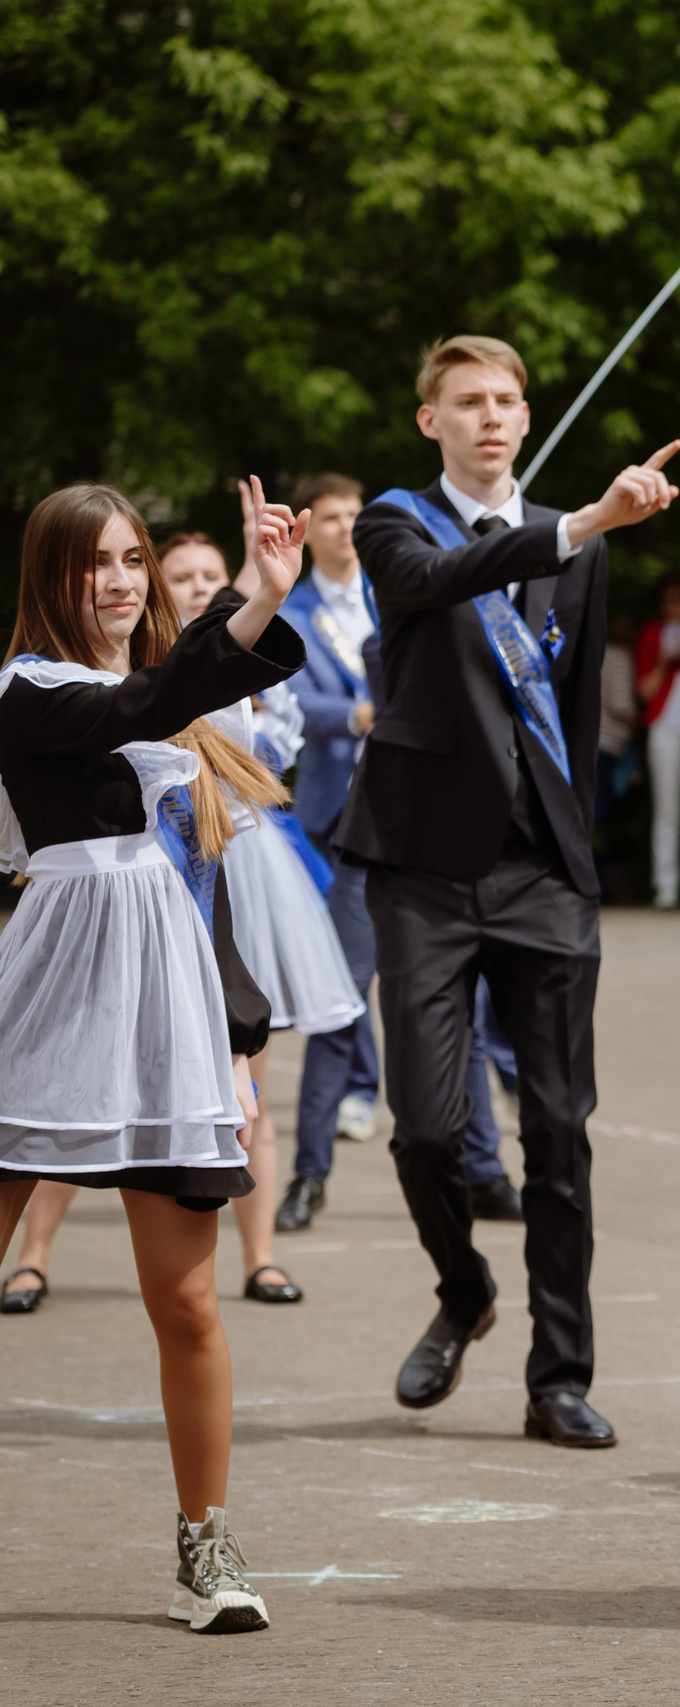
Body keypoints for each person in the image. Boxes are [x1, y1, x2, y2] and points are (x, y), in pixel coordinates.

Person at [344, 333, 680, 1448]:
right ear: (428, 420)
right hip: (425, 869)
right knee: (429, 1134)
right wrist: (581, 520)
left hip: (541, 870)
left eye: (506, 402)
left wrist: (578, 843)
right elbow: (434, 586)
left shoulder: (577, 552)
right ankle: (463, 1290)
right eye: (466, 402)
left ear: (527, 420)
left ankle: (559, 1376)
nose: (490, 418)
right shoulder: (396, 522)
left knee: (558, 1132)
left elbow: (570, 707)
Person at [0, 479, 311, 1631]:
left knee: (187, 1300)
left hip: (165, 1008)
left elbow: (198, 883)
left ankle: (206, 1548)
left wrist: (233, 1039)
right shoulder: (29, 694)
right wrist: (256, 595)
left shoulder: (158, 708)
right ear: (51, 577)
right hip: (40, 1002)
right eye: (97, 562)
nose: (123, 579)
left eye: (134, 557)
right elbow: (147, 697)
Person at [171, 520, 366, 1305]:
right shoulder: (140, 668)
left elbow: (272, 757)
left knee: (247, 1071)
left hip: (242, 867)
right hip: (158, 874)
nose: (193, 587)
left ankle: (259, 1257)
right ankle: (35, 1251)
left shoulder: (255, 677)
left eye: (206, 573)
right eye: (178, 575)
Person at [273, 473, 385, 1232]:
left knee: (460, 995)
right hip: (331, 812)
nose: (347, 528)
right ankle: (313, 1166)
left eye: (356, 516)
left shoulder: (393, 593)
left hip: (413, 816)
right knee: (342, 979)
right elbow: (287, 700)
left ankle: (480, 1164)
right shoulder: (292, 610)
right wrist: (357, 712)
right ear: (311, 530)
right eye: (334, 517)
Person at [634, 573, 680, 909]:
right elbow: (644, 691)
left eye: (678, 599)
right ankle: (666, 885)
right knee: (667, 808)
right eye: (666, 601)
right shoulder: (652, 634)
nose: (672, 607)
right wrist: (665, 661)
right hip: (664, 726)